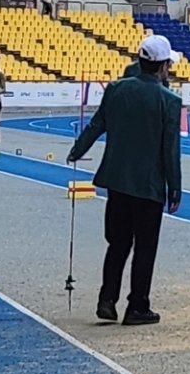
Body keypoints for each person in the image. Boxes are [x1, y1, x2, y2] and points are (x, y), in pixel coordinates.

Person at [66, 36, 183, 326]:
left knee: (117, 243)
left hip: (117, 181)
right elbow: (170, 150)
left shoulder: (116, 89)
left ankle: (107, 299)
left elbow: (97, 124)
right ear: (163, 66)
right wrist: (175, 187)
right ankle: (137, 306)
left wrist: (77, 150)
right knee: (145, 247)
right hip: (149, 185)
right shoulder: (169, 101)